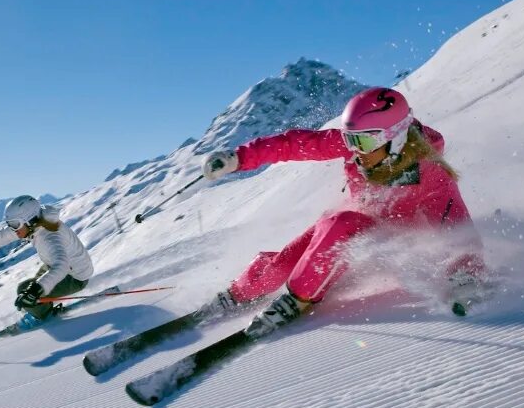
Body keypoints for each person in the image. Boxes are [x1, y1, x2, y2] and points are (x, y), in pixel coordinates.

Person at [200, 87, 486, 337]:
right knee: (285, 262)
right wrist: (238, 159)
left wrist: (466, 278)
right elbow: (295, 145)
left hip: (381, 238)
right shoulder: (361, 146)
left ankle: (297, 299)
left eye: (361, 142)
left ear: (395, 138)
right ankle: (238, 293)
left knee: (341, 222)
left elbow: (458, 230)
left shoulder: (431, 175)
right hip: (345, 227)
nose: (353, 150)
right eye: (349, 140)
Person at [0, 195, 95, 323]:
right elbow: (1, 237)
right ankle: (39, 305)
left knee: (25, 291)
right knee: (30, 289)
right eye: (9, 224)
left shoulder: (50, 237)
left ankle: (46, 317)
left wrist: (37, 290)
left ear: (30, 220)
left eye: (14, 224)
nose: (13, 229)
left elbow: (62, 266)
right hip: (57, 265)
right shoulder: (35, 224)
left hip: (75, 276)